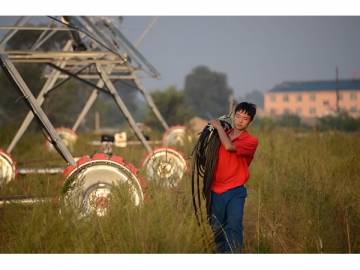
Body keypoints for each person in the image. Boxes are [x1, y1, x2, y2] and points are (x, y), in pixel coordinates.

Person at [208, 102, 258, 253]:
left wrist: (218, 127)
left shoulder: (251, 141)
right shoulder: (221, 135)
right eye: (238, 116)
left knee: (234, 226)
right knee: (216, 230)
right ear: (234, 116)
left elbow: (229, 147)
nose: (240, 120)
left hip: (235, 190)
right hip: (216, 189)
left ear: (250, 122)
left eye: (245, 118)